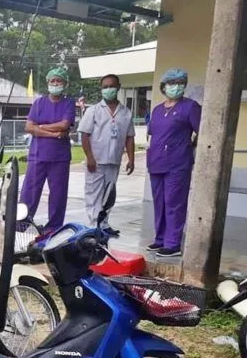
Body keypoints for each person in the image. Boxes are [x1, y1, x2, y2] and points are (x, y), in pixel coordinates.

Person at [146, 68, 202, 258]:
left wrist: (189, 146)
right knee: (159, 203)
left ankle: (172, 243)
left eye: (180, 83)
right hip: (156, 163)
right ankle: (160, 239)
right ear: (163, 86)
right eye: (172, 83)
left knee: (174, 203)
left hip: (177, 164)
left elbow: (202, 132)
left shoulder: (191, 107)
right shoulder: (157, 110)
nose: (176, 87)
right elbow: (152, 134)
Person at [78, 74, 136, 235]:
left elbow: (130, 137)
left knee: (109, 195)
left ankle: (104, 224)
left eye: (111, 86)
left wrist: (131, 159)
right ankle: (93, 226)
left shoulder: (126, 112)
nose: (108, 89)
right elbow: (85, 135)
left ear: (118, 87)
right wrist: (90, 157)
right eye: (105, 87)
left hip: (114, 160)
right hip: (96, 161)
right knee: (93, 194)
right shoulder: (93, 111)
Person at [21, 67, 77, 233]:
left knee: (58, 194)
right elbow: (29, 127)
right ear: (47, 82)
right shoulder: (39, 103)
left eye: (59, 80)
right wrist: (53, 134)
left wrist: (40, 127)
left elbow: (64, 125)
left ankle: (54, 227)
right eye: (52, 80)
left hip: (59, 157)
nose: (55, 83)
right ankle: (21, 224)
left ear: (65, 83)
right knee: (29, 193)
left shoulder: (69, 103)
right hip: (38, 155)